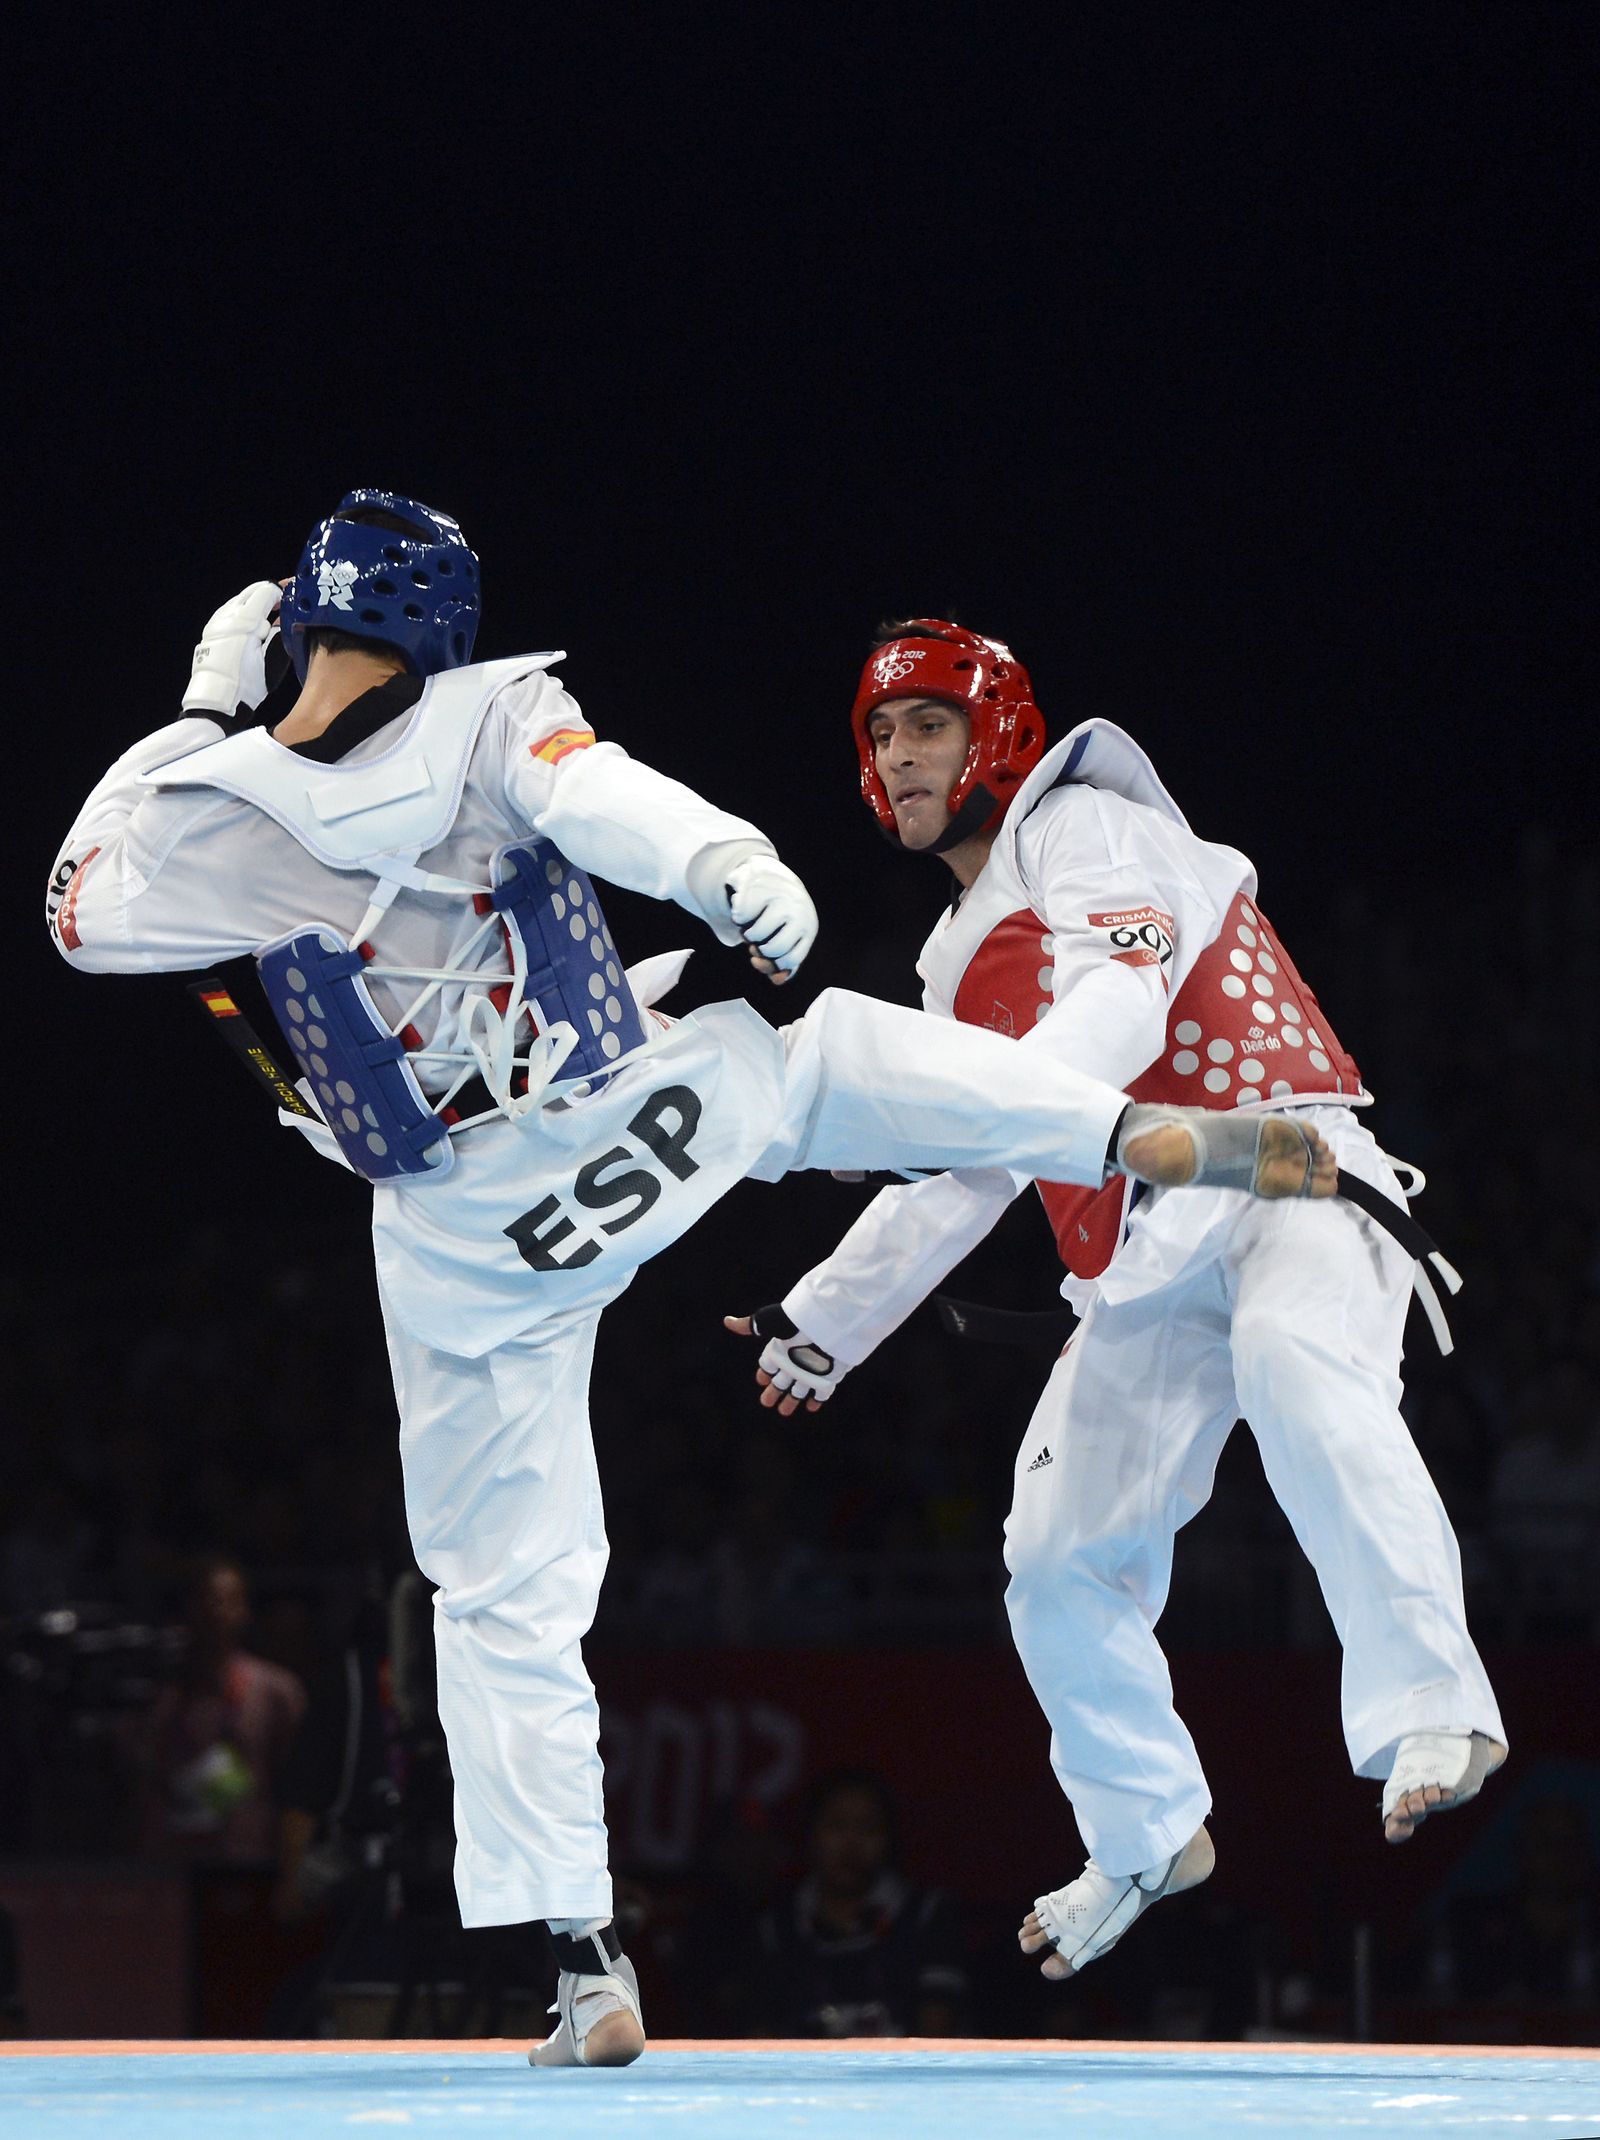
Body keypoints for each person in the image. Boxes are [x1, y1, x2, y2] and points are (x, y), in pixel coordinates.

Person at [46, 508, 1331, 2068]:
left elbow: (80, 909)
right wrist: (728, 864)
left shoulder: (203, 810)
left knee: (500, 1585)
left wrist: (200, 706)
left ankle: (583, 1959)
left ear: (292, 632)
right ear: (443, 620)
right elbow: (601, 797)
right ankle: (1123, 1128)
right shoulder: (489, 714)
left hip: (462, 1236)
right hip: (631, 1116)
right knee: (828, 1065)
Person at [727, 619, 1506, 1987]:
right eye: (877, 737)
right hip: (1142, 1265)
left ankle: (1437, 1706)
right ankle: (1145, 1832)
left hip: (1287, 1171)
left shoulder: (1085, 817)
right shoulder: (946, 960)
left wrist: (960, 1119)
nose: (897, 757)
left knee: (1296, 1367)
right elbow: (965, 1178)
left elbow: (1113, 1019)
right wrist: (825, 1324)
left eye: (923, 727)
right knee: (1055, 1558)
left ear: (998, 735)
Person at [139, 1555, 306, 1864]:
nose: (215, 1611)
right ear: (188, 1609)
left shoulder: (276, 1690)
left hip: (251, 1857)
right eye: (206, 1599)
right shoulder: (162, 1696)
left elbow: (301, 1785)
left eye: (227, 1600)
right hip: (177, 1858)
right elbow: (150, 1780)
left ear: (244, 1610)